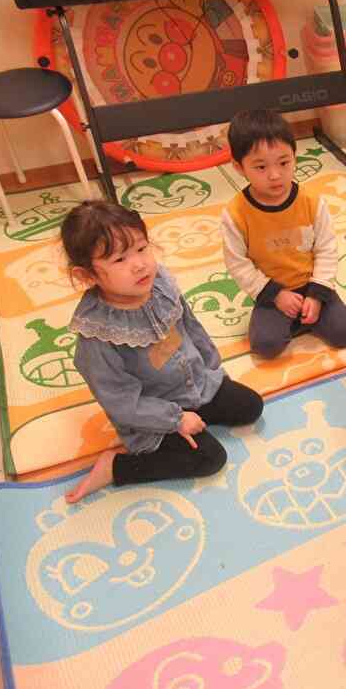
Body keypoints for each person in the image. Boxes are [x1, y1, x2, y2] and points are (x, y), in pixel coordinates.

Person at [60, 201, 264, 504]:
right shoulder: (97, 336)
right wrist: (175, 420)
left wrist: (211, 370)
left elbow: (191, 326)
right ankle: (116, 467)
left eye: (142, 249)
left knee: (250, 406)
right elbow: (122, 403)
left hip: (196, 386)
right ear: (87, 275)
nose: (139, 264)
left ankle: (197, 410)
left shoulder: (159, 285)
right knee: (210, 459)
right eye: (120, 259)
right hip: (151, 416)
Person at [221, 109, 346, 358]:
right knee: (265, 346)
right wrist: (276, 296)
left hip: (313, 285)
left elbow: (326, 250)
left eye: (284, 163)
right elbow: (237, 264)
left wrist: (317, 295)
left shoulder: (311, 202)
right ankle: (299, 320)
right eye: (261, 166)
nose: (275, 175)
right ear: (238, 166)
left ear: (295, 157)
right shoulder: (235, 214)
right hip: (273, 292)